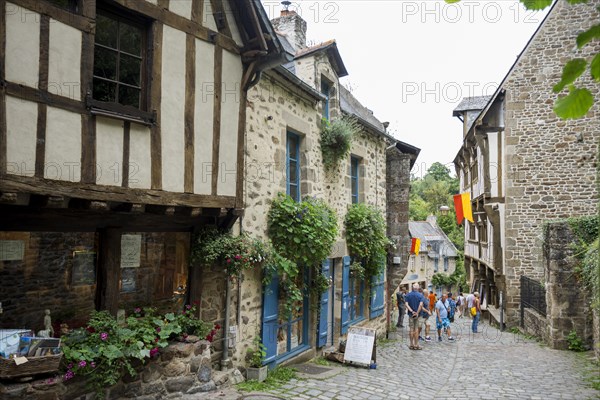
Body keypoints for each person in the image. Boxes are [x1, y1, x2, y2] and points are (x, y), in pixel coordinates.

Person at [405, 283, 424, 350]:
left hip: (411, 314)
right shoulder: (421, 295)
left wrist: (412, 311)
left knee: (411, 329)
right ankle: (416, 344)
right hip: (418, 315)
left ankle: (411, 344)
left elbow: (406, 304)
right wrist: (417, 312)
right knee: (416, 329)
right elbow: (421, 305)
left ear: (412, 288)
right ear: (418, 288)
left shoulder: (408, 295)